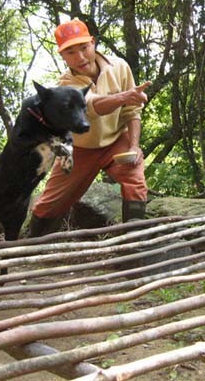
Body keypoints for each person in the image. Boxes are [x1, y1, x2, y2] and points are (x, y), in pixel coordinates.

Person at [29, 18, 151, 236]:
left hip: (115, 140)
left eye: (84, 47)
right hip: (78, 147)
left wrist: (134, 146)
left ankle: (134, 243)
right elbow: (93, 106)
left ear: (93, 43)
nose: (80, 57)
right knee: (50, 202)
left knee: (135, 180)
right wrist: (126, 96)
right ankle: (32, 245)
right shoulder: (66, 84)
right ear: (62, 56)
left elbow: (132, 112)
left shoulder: (120, 67)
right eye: (71, 52)